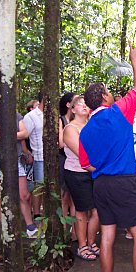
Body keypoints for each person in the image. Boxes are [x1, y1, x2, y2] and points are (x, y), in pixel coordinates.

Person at [79, 45, 136, 272]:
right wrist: (134, 60)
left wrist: (104, 167)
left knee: (107, 236)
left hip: (100, 184)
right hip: (124, 182)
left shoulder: (85, 131)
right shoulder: (117, 112)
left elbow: (85, 163)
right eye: (108, 91)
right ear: (102, 97)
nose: (110, 94)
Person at [0, 90, 39, 237]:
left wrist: (9, 135)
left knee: (24, 194)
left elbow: (25, 133)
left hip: (16, 158)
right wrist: (15, 134)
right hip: (0, 160)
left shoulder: (17, 116)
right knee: (2, 193)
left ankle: (30, 227)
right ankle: (5, 226)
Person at [63, 96, 100, 261]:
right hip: (77, 173)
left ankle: (91, 242)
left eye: (86, 103)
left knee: (98, 209)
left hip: (94, 172)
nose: (84, 106)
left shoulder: (92, 125)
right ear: (72, 109)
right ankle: (82, 245)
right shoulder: (70, 129)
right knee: (82, 210)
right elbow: (83, 155)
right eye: (79, 104)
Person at [23, 92, 45, 220]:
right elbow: (24, 136)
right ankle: (36, 214)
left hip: (52, 157)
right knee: (39, 186)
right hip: (38, 156)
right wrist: (27, 152)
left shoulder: (52, 114)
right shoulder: (30, 116)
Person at [58, 92, 77, 238]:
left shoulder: (80, 121)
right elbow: (60, 143)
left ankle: (76, 231)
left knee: (75, 198)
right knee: (64, 196)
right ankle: (64, 229)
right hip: (64, 160)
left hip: (78, 162)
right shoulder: (61, 120)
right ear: (69, 105)